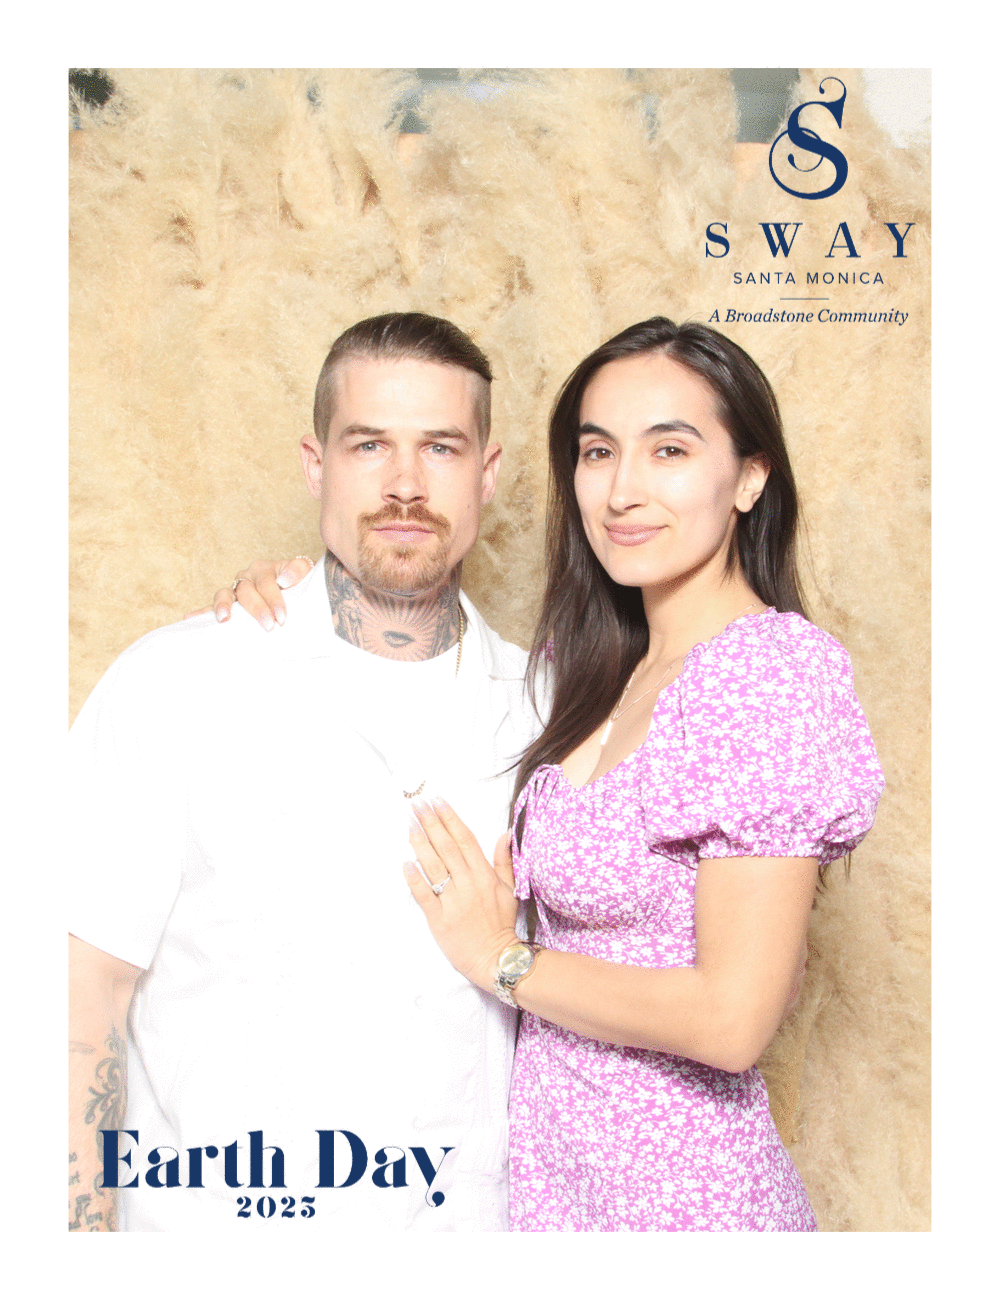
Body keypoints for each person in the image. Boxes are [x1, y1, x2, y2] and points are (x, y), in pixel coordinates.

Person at [232, 318, 884, 1231]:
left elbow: (733, 1020)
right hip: (559, 1197)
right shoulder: (591, 671)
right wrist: (306, 596)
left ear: (749, 477)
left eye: (669, 450)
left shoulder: (765, 674)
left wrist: (500, 959)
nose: (623, 490)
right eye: (597, 451)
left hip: (686, 1208)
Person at [67, 312, 541, 1232]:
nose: (405, 485)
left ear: (487, 474)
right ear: (315, 464)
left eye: (440, 447)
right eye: (369, 445)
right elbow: (82, 990)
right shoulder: (178, 680)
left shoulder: (549, 710)